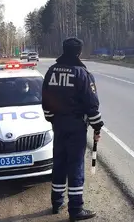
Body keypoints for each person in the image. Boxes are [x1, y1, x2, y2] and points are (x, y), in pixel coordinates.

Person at [42, 37, 104, 221]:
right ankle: (76, 209)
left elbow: (45, 99)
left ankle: (56, 201)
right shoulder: (81, 73)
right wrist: (97, 125)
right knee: (75, 165)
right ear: (78, 52)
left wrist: (51, 118)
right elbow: (91, 104)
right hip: (76, 127)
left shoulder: (52, 71)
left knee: (59, 163)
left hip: (58, 125)